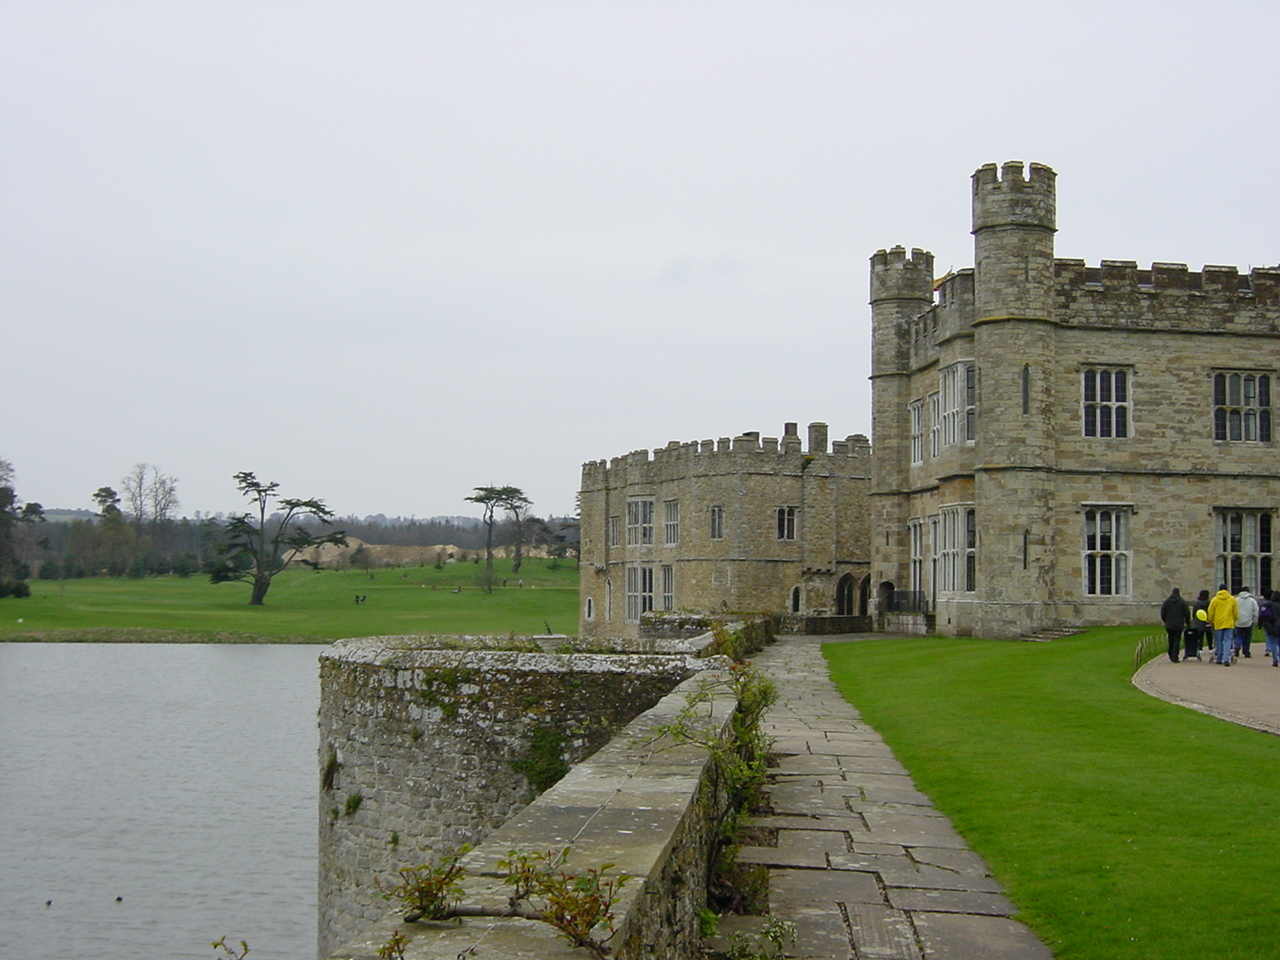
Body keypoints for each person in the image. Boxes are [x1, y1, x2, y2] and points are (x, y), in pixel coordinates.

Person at [1207, 584, 1239, 665]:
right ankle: (1226, 658)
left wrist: (1211, 621)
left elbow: (1210, 612)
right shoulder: (1232, 599)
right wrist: (1234, 620)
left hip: (1218, 623)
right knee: (1227, 641)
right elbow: (1235, 612)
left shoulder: (1215, 600)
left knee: (1219, 641)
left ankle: (1219, 658)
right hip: (1229, 622)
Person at [1160, 588, 1191, 663]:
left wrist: (1166, 621)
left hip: (1169, 624)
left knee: (1171, 639)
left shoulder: (1167, 602)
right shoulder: (1182, 602)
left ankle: (1170, 653)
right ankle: (1174, 656)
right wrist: (1187, 623)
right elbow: (1187, 613)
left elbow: (1162, 613)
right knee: (1176, 640)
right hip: (1178, 624)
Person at [1185, 588, 1211, 660]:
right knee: (1209, 634)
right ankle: (1210, 647)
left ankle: (1200, 648)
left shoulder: (1197, 603)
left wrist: (1194, 618)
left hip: (1199, 621)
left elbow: (1194, 612)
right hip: (1207, 620)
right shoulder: (1209, 603)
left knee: (1200, 635)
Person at [1235, 586, 1259, 659]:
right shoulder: (1252, 600)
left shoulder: (1236, 600)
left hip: (1238, 621)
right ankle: (1246, 652)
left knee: (1238, 635)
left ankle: (1237, 645)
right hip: (1248, 621)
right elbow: (1255, 611)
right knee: (1247, 637)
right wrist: (1255, 619)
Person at [1260, 590, 1280, 667]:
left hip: (1271, 626)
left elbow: (1263, 615)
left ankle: (1275, 660)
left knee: (1273, 644)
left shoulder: (1268, 605)